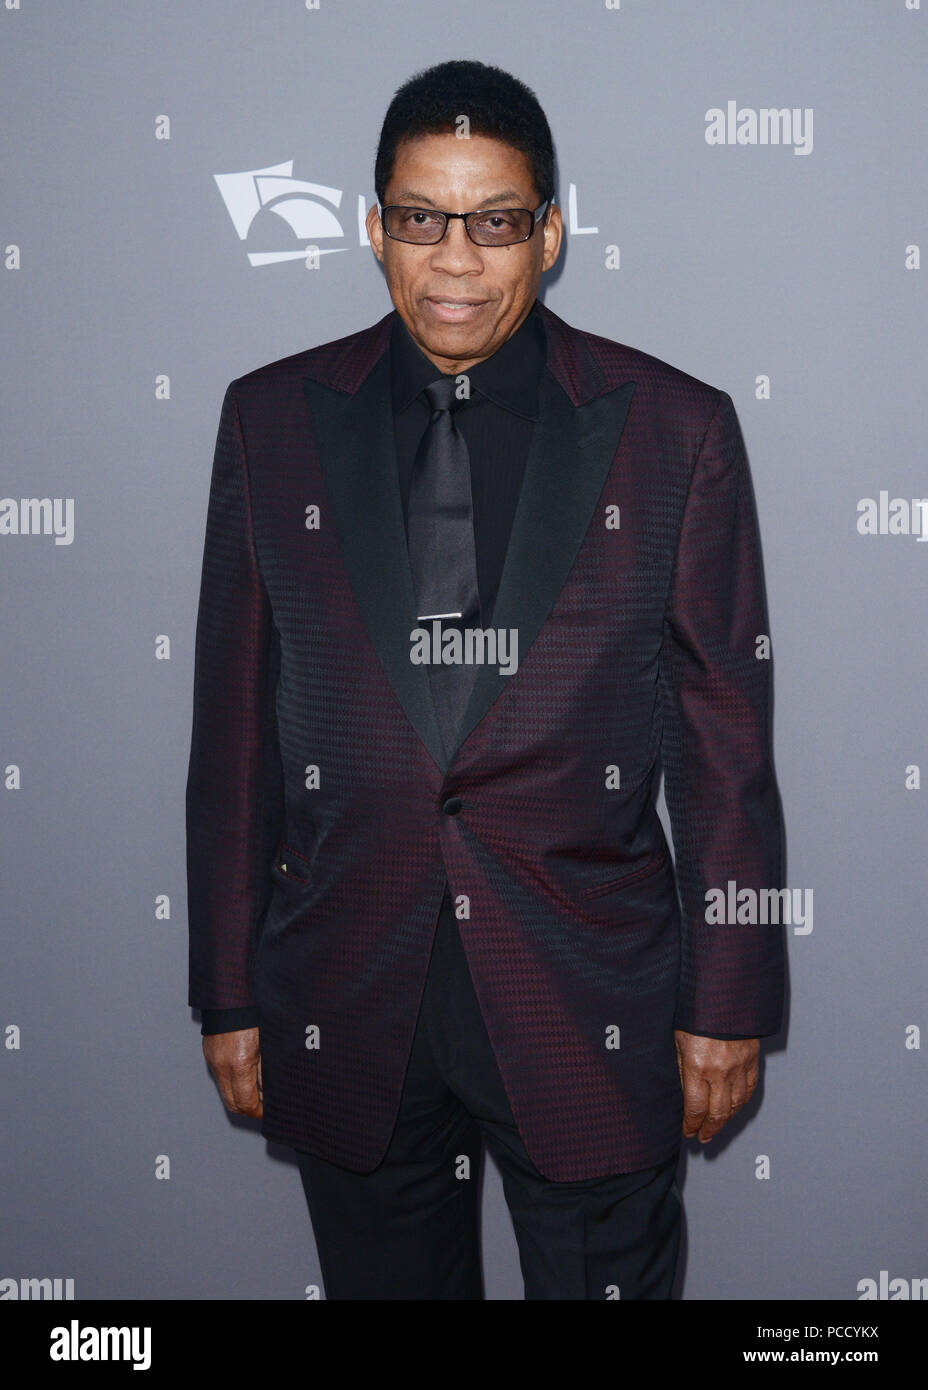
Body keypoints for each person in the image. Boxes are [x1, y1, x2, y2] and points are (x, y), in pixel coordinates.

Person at [186, 58, 785, 1300]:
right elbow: (234, 733)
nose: (454, 259)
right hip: (347, 995)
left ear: (548, 234)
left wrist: (729, 999)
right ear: (374, 229)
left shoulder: (675, 431)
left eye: (494, 221)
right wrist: (228, 988)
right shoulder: (272, 420)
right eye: (420, 218)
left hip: (586, 997)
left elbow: (724, 745)